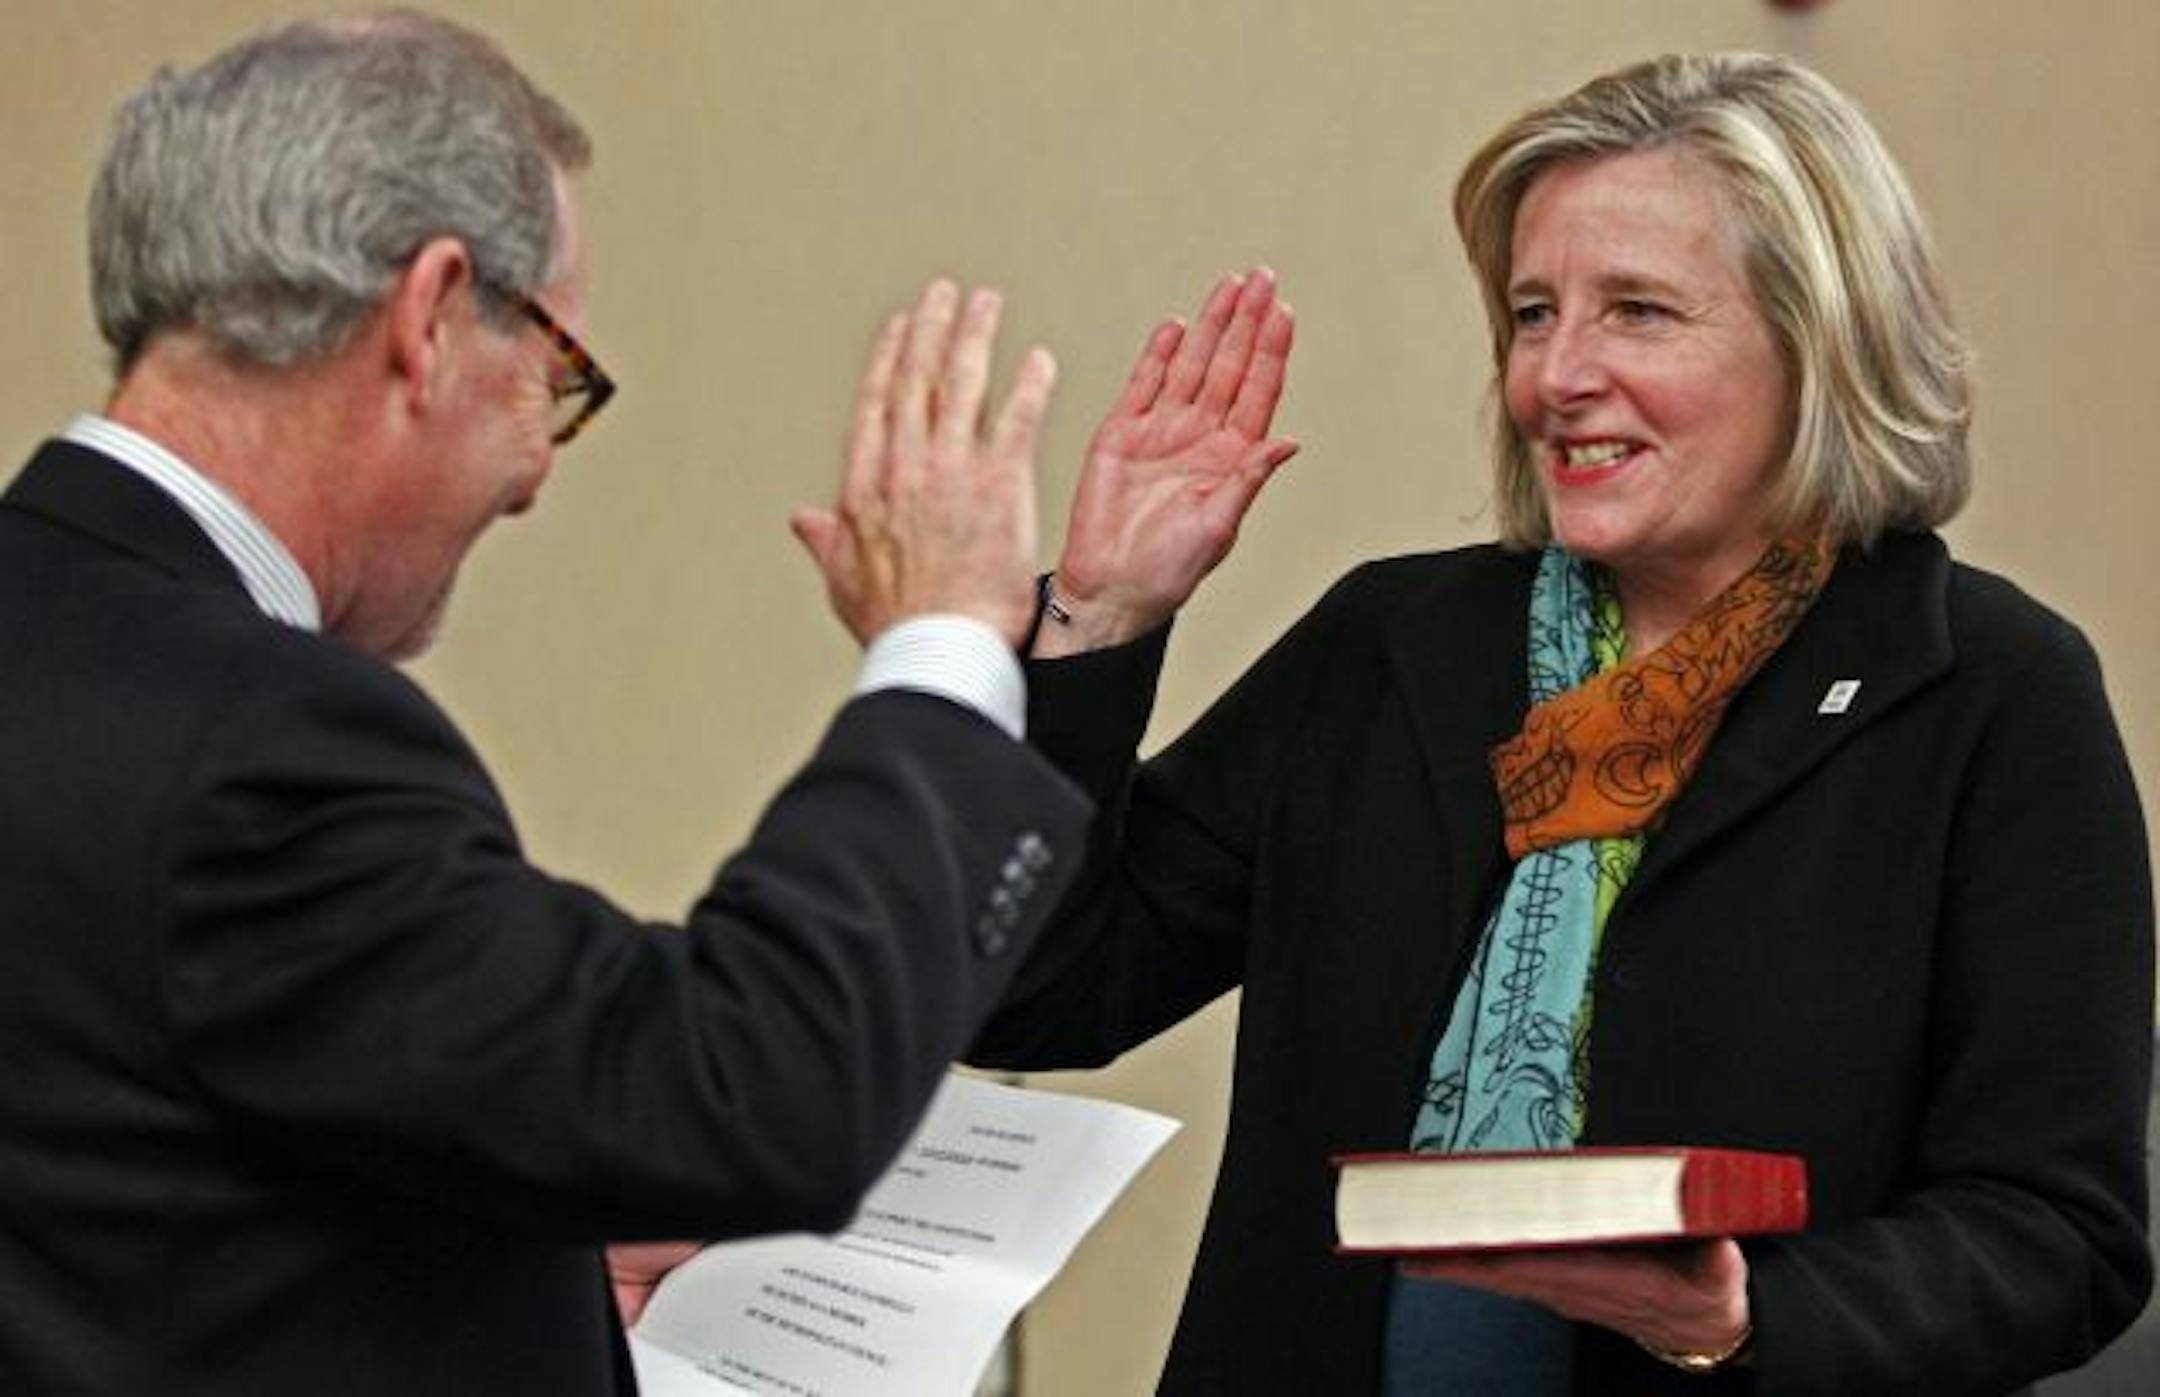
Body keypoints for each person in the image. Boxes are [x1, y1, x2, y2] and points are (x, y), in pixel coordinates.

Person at [0, 11, 1172, 1393]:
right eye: (556, 371)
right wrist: (948, 647)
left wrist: (530, 1237)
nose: (539, 473)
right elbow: (757, 1090)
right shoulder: (262, 745)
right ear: (431, 319)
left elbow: (176, 1175)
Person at [971, 52, 2155, 1394]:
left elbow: (2062, 1233)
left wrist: (1745, 1313)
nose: (1557, 376)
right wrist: (1097, 620)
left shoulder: (1989, 692)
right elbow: (1033, 992)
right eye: (1533, 314)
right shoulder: (1393, 645)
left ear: (1819, 342)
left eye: (1639, 311)